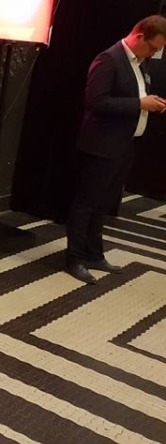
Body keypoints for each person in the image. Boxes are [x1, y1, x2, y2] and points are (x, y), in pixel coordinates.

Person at [66, 15, 166, 284]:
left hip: (124, 145)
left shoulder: (140, 63)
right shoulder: (109, 59)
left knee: (104, 204)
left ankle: (94, 254)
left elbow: (132, 97)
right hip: (101, 145)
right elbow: (95, 101)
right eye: (153, 48)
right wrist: (140, 104)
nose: (154, 54)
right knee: (86, 203)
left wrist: (148, 102)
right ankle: (74, 258)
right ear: (139, 36)